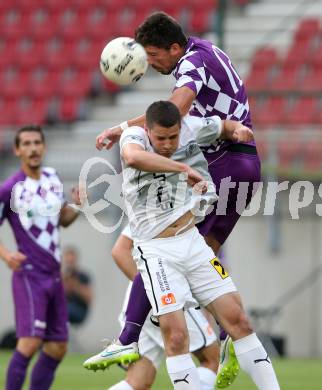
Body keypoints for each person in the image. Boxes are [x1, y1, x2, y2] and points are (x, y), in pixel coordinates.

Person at [95, 12, 261, 387]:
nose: (149, 64)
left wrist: (121, 129)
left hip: (226, 163)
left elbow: (172, 116)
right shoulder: (203, 51)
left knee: (162, 243)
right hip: (227, 163)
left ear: (174, 47)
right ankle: (214, 328)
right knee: (188, 250)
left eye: (153, 55)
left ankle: (138, 337)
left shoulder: (192, 63)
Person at [88, 101, 279, 390]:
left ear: (180, 129)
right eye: (160, 138)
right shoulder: (134, 137)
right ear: (148, 130)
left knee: (240, 322)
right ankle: (127, 338)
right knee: (176, 338)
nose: (166, 144)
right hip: (156, 252)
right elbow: (133, 157)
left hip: (193, 244)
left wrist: (237, 129)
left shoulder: (192, 127)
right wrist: (182, 168)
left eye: (173, 138)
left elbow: (222, 126)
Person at [0, 125, 82, 390]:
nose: (33, 148)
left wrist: (79, 204)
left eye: (37, 142)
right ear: (17, 150)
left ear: (44, 146)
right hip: (29, 274)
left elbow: (63, 220)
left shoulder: (52, 178)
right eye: (26, 143)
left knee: (58, 346)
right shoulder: (10, 188)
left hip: (54, 275)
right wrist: (6, 255)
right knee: (30, 342)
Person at [107, 225, 219, 390]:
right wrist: (153, 290)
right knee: (211, 357)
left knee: (139, 381)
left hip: (141, 302)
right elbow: (120, 250)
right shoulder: (163, 208)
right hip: (166, 295)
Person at [62, 246, 92, 325]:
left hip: (77, 310)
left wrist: (75, 286)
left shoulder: (82, 276)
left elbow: (89, 298)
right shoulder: (61, 276)